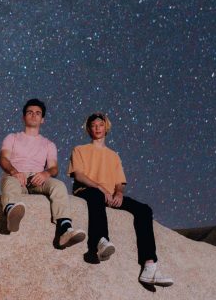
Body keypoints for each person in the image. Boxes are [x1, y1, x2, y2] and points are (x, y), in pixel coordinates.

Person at [68, 112, 173, 287]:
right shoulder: (79, 150)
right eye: (93, 125)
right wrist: (100, 187)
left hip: (110, 195)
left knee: (144, 210)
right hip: (87, 190)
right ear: (89, 129)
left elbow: (119, 182)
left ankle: (149, 266)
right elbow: (79, 175)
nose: (97, 128)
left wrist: (118, 193)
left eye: (100, 125)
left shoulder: (114, 156)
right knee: (96, 196)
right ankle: (100, 242)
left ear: (106, 128)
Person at [0, 98, 85, 249]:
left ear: (42, 119)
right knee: (9, 181)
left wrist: (45, 174)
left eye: (38, 113)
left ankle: (64, 228)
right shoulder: (12, 137)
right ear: (23, 117)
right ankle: (11, 213)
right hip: (17, 175)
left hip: (37, 178)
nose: (34, 115)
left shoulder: (49, 144)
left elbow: (54, 168)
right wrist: (14, 171)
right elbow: (3, 159)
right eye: (30, 112)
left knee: (59, 185)